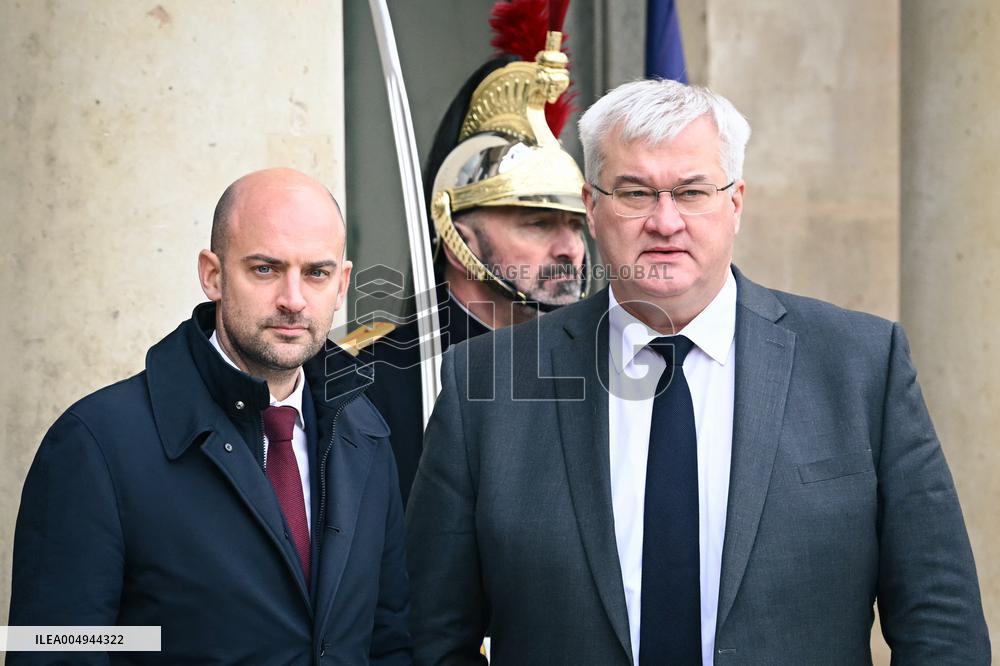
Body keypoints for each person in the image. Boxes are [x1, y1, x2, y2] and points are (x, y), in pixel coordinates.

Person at [405, 80, 991, 665]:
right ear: (591, 205)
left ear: (735, 202)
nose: (665, 221)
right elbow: (431, 634)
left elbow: (940, 622)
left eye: (691, 192)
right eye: (634, 192)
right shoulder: (485, 384)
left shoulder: (860, 365)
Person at [9, 168, 411, 664]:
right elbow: (54, 648)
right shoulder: (97, 444)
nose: (293, 299)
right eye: (265, 269)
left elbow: (391, 641)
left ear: (343, 282)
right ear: (213, 275)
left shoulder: (365, 435)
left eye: (316, 273)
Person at [352, 31, 591, 507]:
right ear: (459, 234)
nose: (570, 249)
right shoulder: (369, 382)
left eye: (576, 226)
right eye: (539, 223)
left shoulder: (605, 363)